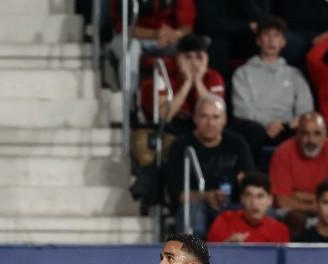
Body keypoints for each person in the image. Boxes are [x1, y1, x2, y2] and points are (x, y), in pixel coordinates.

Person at [230, 16, 315, 168]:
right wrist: (268, 123)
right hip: (256, 128)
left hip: (286, 127)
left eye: (276, 36)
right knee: (249, 130)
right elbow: (242, 109)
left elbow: (306, 108)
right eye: (266, 35)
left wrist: (285, 124)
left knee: (308, 129)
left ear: (283, 42)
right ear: (258, 40)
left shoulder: (294, 74)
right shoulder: (242, 73)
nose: (271, 41)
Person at [166, 96, 255, 236]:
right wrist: (207, 196)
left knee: (263, 210)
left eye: (215, 117)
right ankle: (195, 256)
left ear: (224, 120)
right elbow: (179, 195)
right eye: (204, 117)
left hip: (232, 205)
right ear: (195, 119)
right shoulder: (181, 146)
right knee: (193, 215)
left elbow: (251, 182)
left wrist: (243, 185)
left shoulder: (237, 143)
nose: (210, 123)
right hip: (197, 205)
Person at [134, 34, 225, 167]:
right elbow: (164, 116)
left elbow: (214, 114)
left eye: (199, 57)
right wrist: (187, 83)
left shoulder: (214, 77)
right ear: (178, 58)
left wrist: (198, 82)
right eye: (188, 57)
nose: (194, 63)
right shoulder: (164, 74)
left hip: (200, 127)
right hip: (171, 126)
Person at [269, 112, 328, 230]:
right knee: (296, 218)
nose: (311, 140)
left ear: (325, 135)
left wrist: (298, 196)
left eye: (317, 134)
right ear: (297, 134)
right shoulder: (283, 152)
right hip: (294, 213)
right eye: (305, 133)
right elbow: (282, 202)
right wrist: (318, 204)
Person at [206, 173, 290, 244]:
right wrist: (227, 246)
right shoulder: (224, 221)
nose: (254, 202)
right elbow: (209, 259)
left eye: (260, 196)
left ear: (270, 200)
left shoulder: (280, 231)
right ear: (242, 198)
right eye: (249, 195)